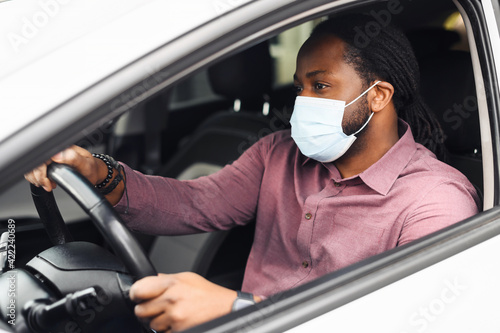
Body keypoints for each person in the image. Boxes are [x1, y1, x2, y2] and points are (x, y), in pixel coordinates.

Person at [25, 15, 480, 332]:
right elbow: (190, 205)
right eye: (300, 86)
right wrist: (93, 168)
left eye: (320, 86)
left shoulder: (435, 202)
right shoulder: (278, 154)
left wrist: (236, 307)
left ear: (378, 96)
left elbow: (403, 322)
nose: (302, 101)